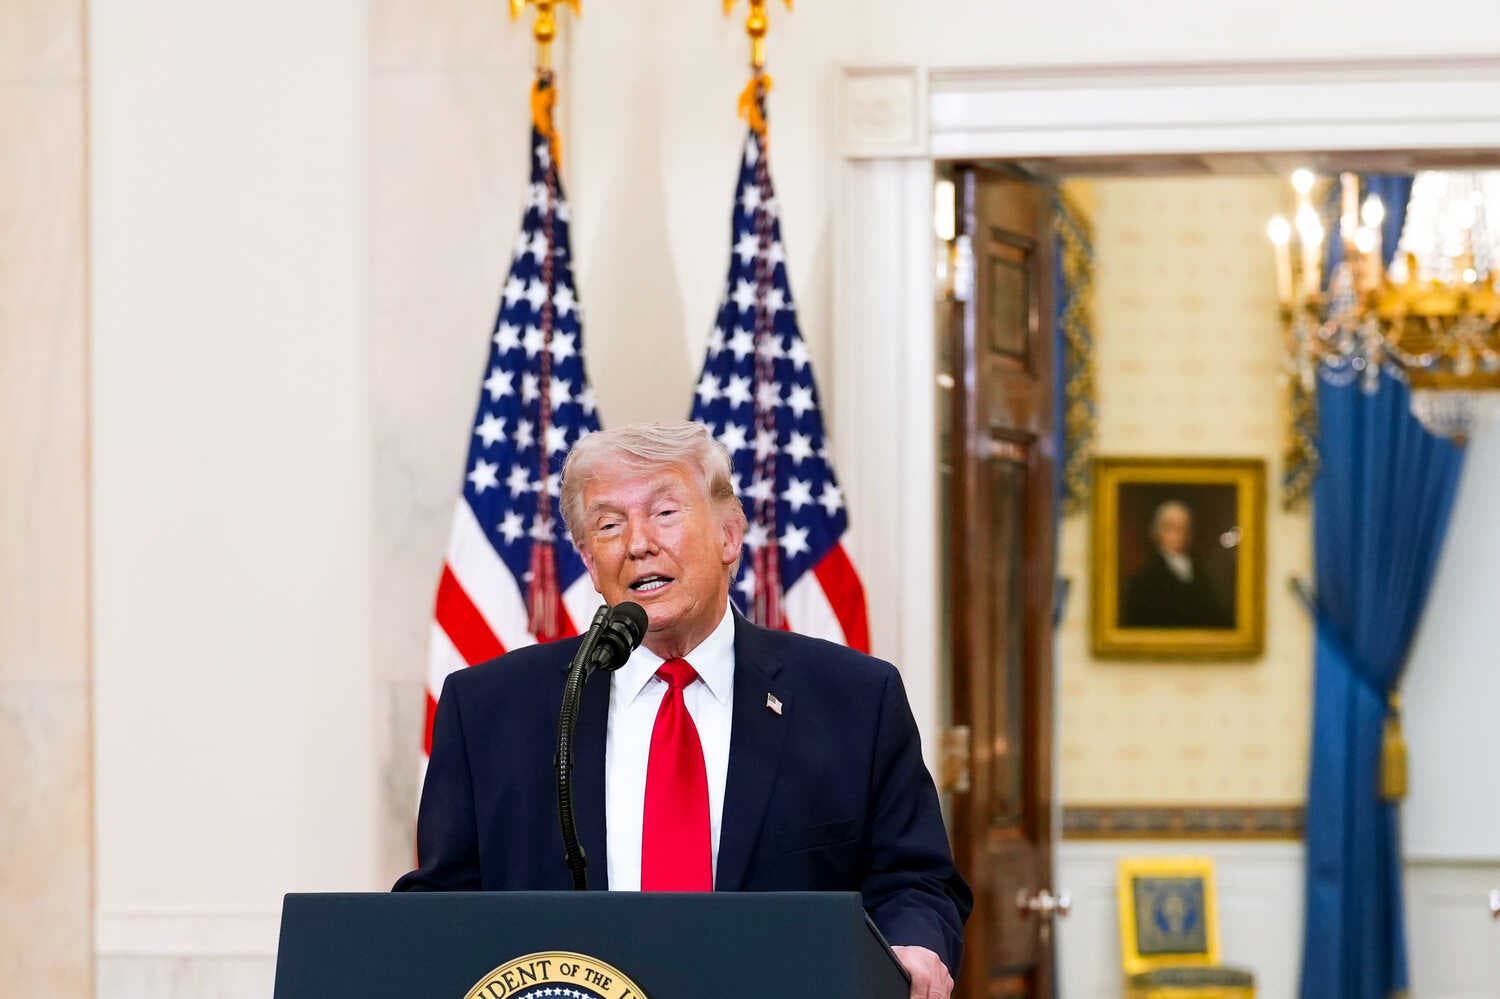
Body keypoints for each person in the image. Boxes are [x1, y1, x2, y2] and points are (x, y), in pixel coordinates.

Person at [395, 422, 970, 999]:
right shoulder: (490, 709)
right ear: (590, 563)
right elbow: (442, 908)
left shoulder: (853, 700)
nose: (638, 542)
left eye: (665, 512)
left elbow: (915, 881)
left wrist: (913, 946)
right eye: (609, 524)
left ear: (729, 535)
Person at [1120, 499, 1232, 629]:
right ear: (1157, 532)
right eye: (1172, 528)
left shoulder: (1200, 572)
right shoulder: (1144, 579)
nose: (1180, 535)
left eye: (1184, 528)